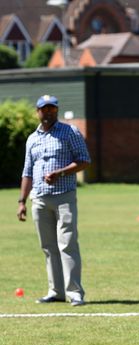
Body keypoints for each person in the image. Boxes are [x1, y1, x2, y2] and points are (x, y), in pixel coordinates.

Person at [16, 95, 91, 306]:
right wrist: (21, 201)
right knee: (48, 247)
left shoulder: (70, 132)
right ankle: (55, 291)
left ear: (56, 111)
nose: (48, 112)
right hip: (39, 199)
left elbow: (84, 161)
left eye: (52, 109)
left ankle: (75, 293)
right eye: (44, 109)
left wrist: (61, 173)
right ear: (37, 112)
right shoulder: (32, 138)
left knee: (67, 244)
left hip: (64, 197)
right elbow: (27, 172)